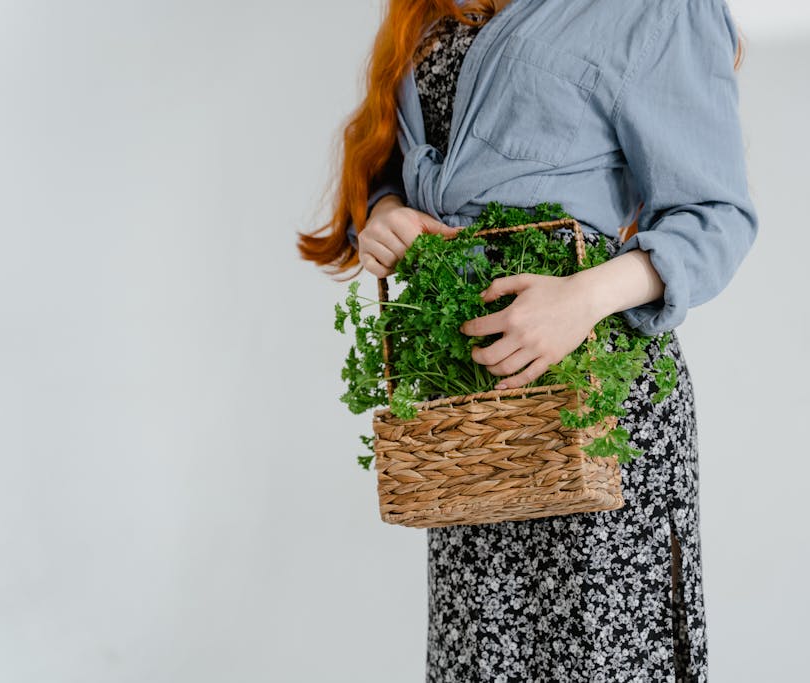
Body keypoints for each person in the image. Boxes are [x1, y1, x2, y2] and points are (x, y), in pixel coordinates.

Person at [297, 0, 758, 680]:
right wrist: (388, 212)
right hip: (475, 407)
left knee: (602, 656)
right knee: (482, 655)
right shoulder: (439, 8)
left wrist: (581, 300)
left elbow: (717, 217)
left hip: (596, 402)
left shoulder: (657, 8)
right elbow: (411, 155)